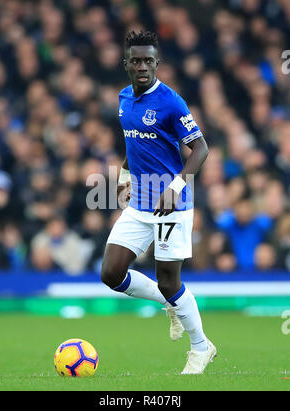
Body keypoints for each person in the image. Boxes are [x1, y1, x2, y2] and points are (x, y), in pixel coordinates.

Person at [101, 30, 216, 375]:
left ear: (156, 63)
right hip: (139, 203)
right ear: (126, 64)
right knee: (110, 273)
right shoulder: (123, 99)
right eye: (136, 60)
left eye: (149, 61)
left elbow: (201, 149)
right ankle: (169, 304)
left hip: (172, 204)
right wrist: (122, 178)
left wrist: (177, 186)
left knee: (169, 279)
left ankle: (200, 347)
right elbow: (135, 145)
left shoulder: (170, 102)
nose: (142, 66)